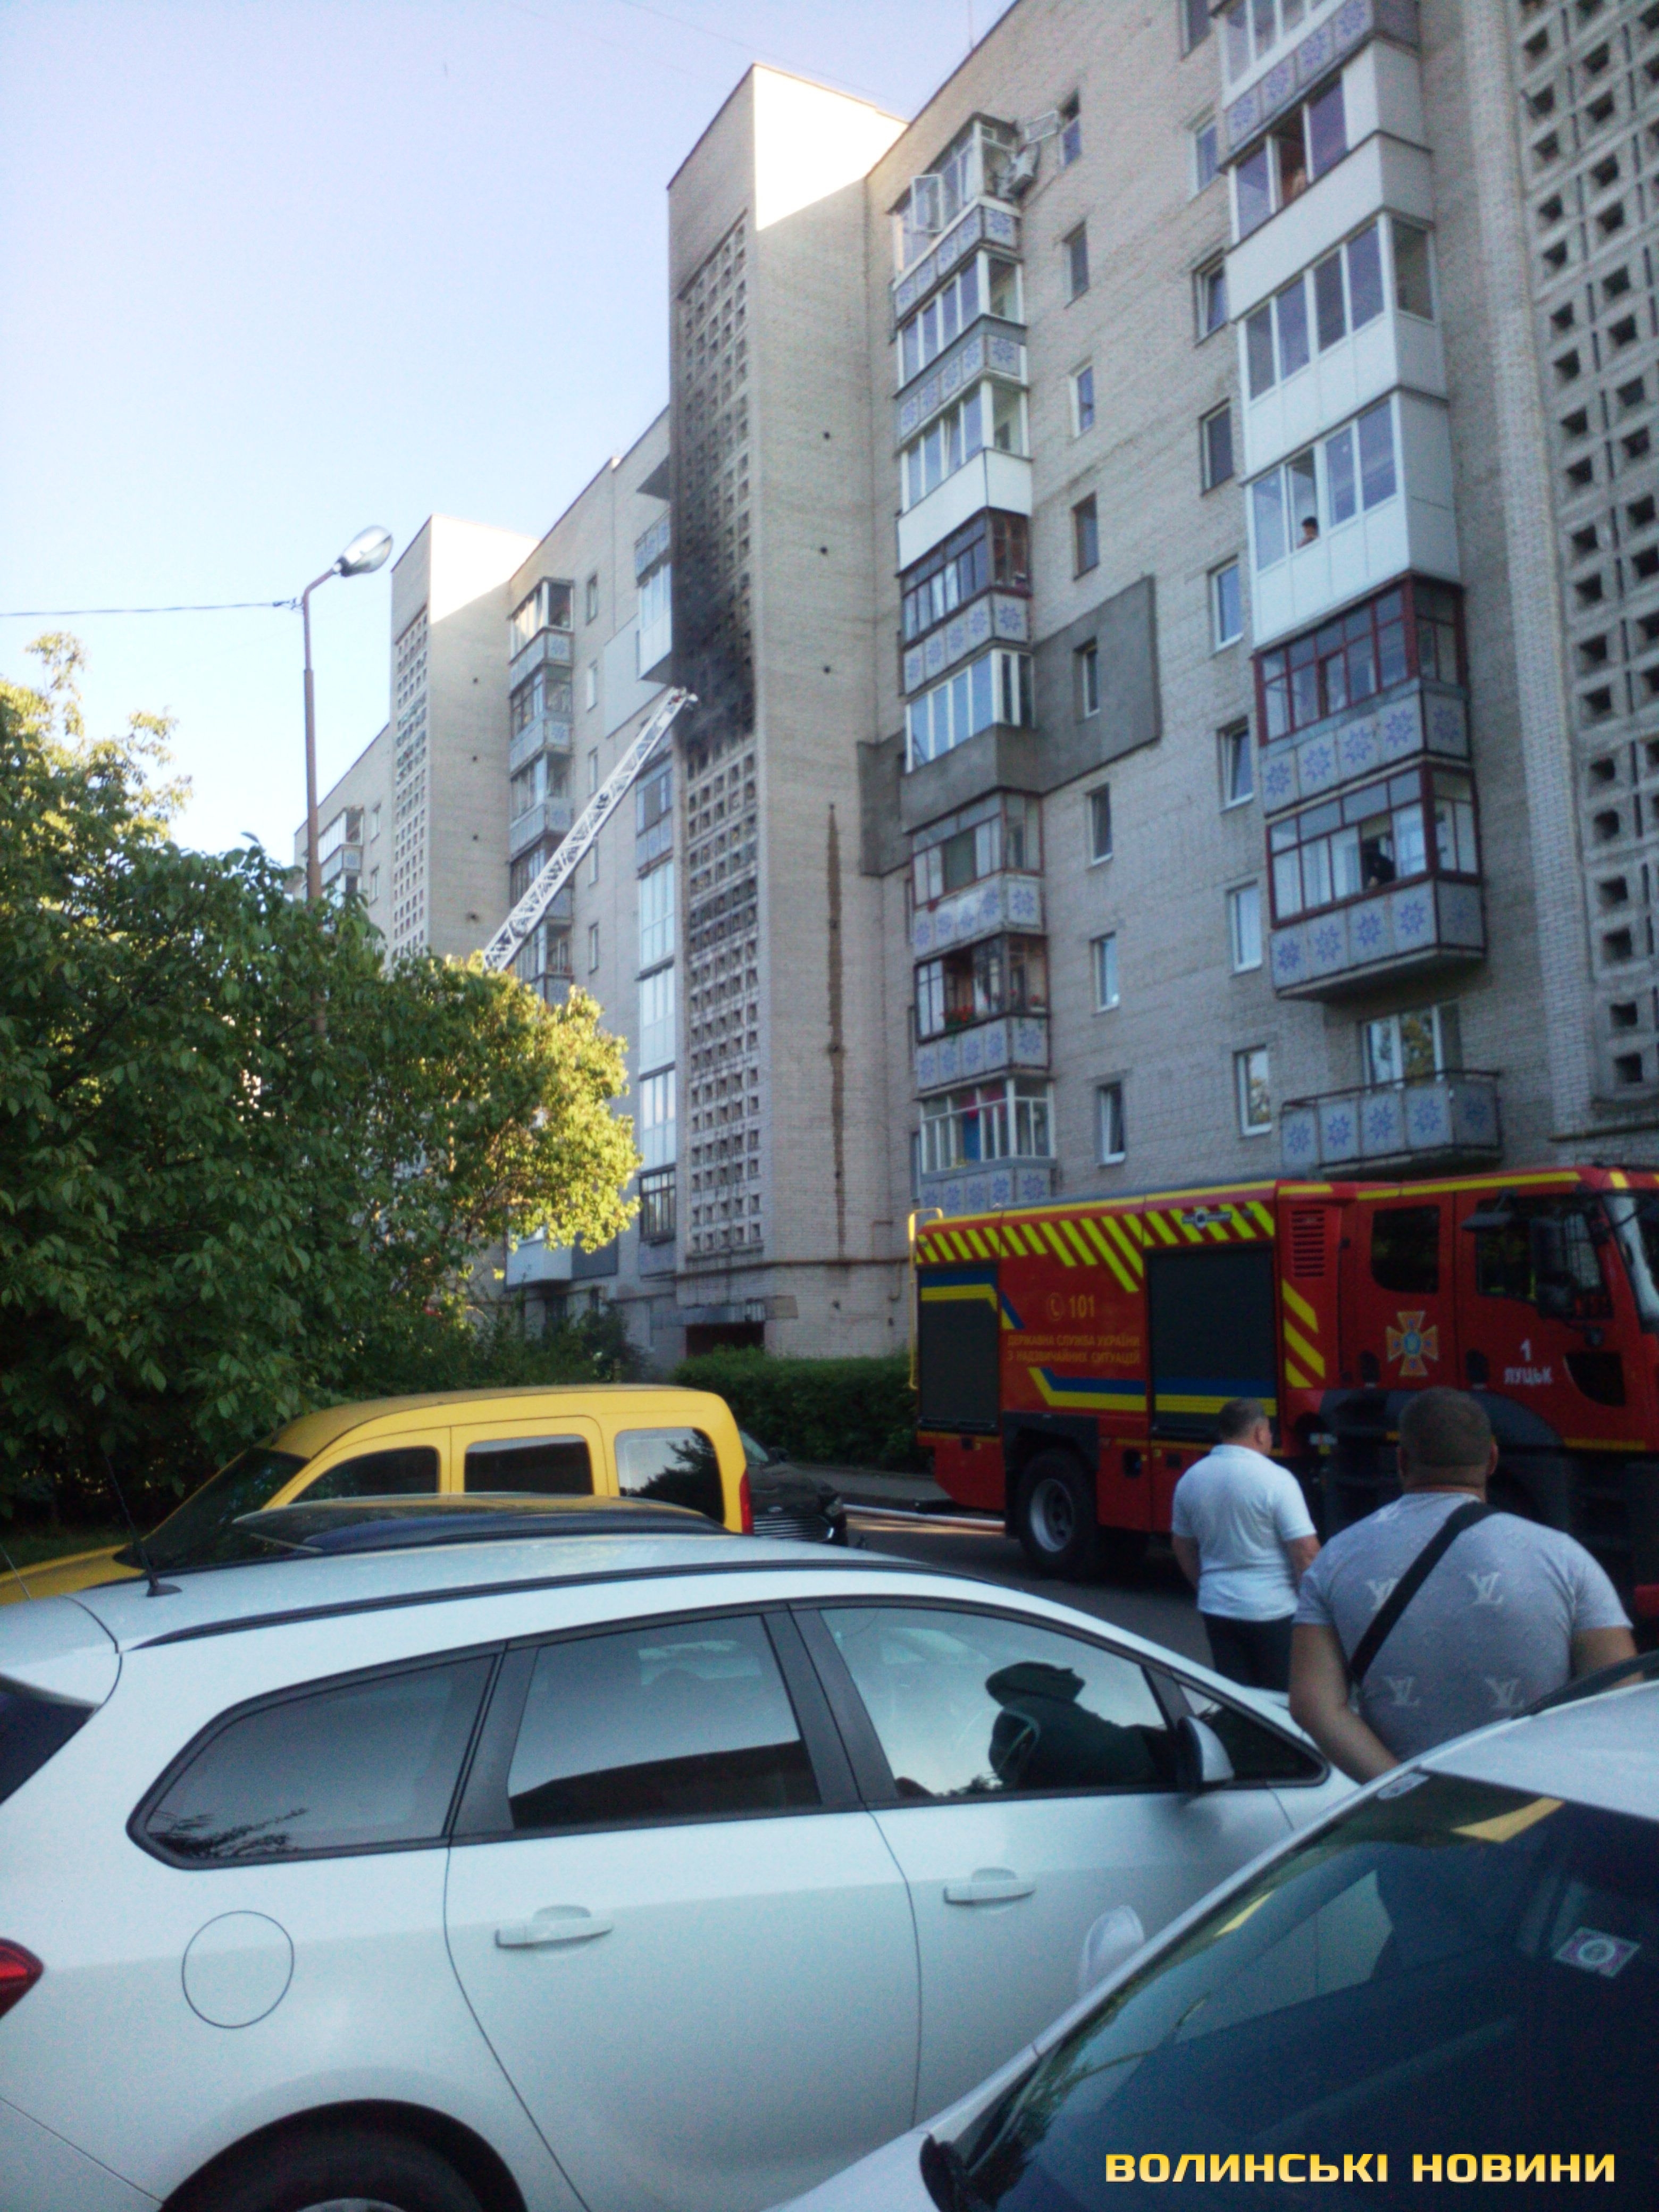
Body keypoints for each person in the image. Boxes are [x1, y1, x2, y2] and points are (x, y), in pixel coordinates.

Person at [1290, 1387, 1636, 1780]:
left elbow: (1313, 1705)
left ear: (1402, 1460)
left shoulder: (1336, 1559)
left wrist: (1403, 1791)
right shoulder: (1565, 1559)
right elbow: (1618, 1695)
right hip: (1537, 1798)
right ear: (1492, 1459)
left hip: (1413, 1810)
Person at [1170, 1398, 1320, 1691]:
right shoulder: (1277, 1480)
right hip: (1273, 1610)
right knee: (1278, 1701)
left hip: (1217, 1608)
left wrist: (1206, 1585)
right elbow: (1306, 1552)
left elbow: (1182, 1545)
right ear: (1260, 1433)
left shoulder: (1191, 1479)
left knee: (1237, 1698)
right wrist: (1312, 1608)